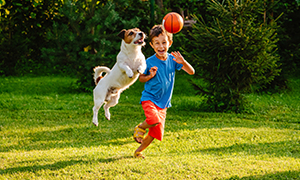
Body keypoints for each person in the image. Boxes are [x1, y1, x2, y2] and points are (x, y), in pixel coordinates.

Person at [133, 25, 195, 158]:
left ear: (170, 43)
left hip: (163, 103)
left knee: (155, 133)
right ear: (151, 45)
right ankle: (141, 127)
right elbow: (141, 78)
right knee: (153, 120)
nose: (161, 46)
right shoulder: (149, 61)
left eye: (164, 42)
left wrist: (183, 62)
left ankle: (138, 151)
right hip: (149, 98)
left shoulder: (173, 60)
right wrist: (149, 76)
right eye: (157, 43)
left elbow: (191, 72)